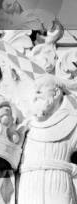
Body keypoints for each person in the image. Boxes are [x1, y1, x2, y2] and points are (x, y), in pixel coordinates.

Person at [17, 75, 77, 204]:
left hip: (58, 183)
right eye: (34, 92)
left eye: (40, 91)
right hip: (29, 184)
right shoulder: (26, 126)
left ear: (56, 93)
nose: (35, 95)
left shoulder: (73, 123)